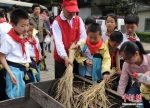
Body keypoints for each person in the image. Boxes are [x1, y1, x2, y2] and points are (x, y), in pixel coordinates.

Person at [0, 9, 35, 99]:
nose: (26, 28)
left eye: (27, 25)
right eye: (22, 26)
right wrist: (10, 73)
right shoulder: (8, 38)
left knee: (29, 94)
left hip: (27, 69)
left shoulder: (25, 35)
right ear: (13, 24)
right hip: (15, 71)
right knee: (16, 97)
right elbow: (2, 57)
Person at [52, 0, 87, 79]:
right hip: (61, 60)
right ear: (62, 7)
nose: (72, 13)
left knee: (74, 81)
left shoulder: (79, 20)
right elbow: (58, 43)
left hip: (75, 57)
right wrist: (65, 57)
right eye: (69, 11)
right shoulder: (57, 22)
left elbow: (83, 37)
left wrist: (78, 45)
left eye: (74, 11)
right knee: (59, 82)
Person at [117, 41, 150, 108]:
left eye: (127, 59)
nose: (126, 61)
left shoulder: (149, 58)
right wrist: (118, 97)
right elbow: (122, 82)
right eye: (124, 59)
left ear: (136, 53)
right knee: (128, 102)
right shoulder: (126, 64)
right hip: (138, 85)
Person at [30, 3, 50, 71]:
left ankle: (43, 66)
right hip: (32, 39)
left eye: (39, 9)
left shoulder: (41, 18)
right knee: (34, 53)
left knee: (41, 53)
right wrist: (35, 31)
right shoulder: (30, 17)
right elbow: (28, 27)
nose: (38, 10)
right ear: (33, 10)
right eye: (36, 9)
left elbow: (43, 27)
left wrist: (46, 30)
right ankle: (34, 65)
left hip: (40, 39)